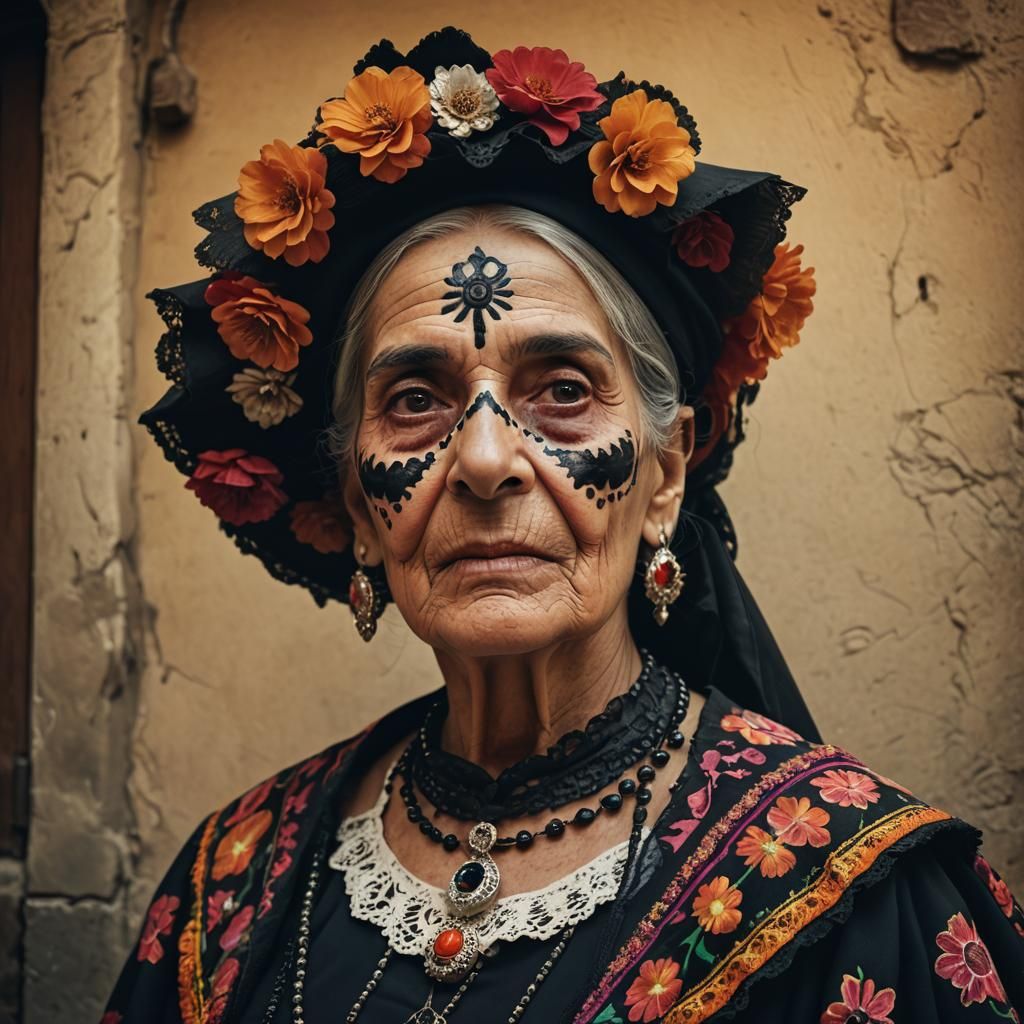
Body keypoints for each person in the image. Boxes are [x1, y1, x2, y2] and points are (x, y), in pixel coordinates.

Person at [102, 27, 1023, 1024]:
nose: (488, 460)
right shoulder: (229, 888)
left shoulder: (866, 901)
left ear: (666, 472)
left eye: (565, 389)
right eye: (413, 398)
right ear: (361, 506)